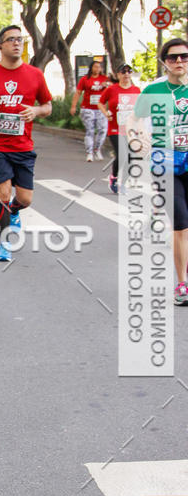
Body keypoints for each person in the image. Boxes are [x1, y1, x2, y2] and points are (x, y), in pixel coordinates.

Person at [0, 24, 52, 262]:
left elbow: (48, 106)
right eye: (11, 39)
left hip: (23, 146)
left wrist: (35, 111)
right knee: (4, 194)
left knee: (25, 199)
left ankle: (14, 214)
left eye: (20, 39)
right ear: (0, 46)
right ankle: (4, 243)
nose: (17, 43)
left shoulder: (35, 75)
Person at [132, 38, 188, 305]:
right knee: (181, 222)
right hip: (165, 162)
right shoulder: (153, 90)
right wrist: (138, 135)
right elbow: (134, 118)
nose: (179, 61)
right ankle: (182, 284)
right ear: (164, 62)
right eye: (173, 57)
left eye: (184, 56)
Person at [97, 62, 141, 194]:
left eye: (129, 71)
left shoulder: (136, 90)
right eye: (123, 72)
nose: (126, 74)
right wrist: (106, 113)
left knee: (130, 157)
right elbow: (100, 103)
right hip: (115, 128)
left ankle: (123, 183)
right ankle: (114, 177)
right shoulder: (111, 89)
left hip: (131, 129)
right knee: (122, 154)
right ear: (118, 75)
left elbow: (141, 107)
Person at [70, 59, 110, 161]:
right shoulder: (85, 79)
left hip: (101, 109)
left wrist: (107, 85)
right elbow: (78, 93)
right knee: (90, 131)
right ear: (91, 68)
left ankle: (97, 149)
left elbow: (112, 90)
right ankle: (89, 152)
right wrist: (73, 106)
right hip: (87, 108)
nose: (97, 69)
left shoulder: (105, 79)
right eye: (95, 67)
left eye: (99, 67)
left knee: (102, 130)